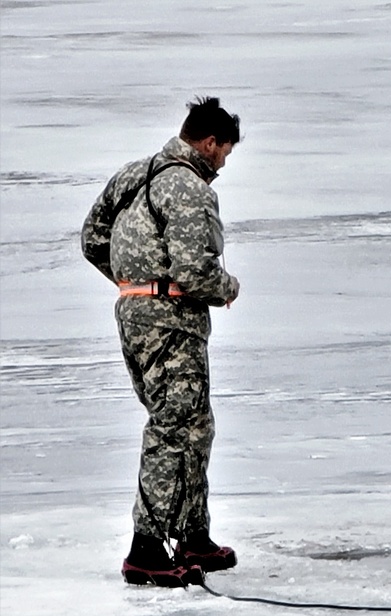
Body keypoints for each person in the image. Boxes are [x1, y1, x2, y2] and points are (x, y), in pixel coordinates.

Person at [82, 97, 242, 585]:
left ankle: (193, 535)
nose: (224, 162)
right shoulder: (187, 186)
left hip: (135, 315)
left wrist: (133, 284)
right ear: (209, 143)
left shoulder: (135, 174)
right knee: (174, 426)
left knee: (195, 424)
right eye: (225, 152)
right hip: (171, 323)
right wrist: (228, 288)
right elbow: (195, 269)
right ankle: (147, 548)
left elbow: (93, 237)